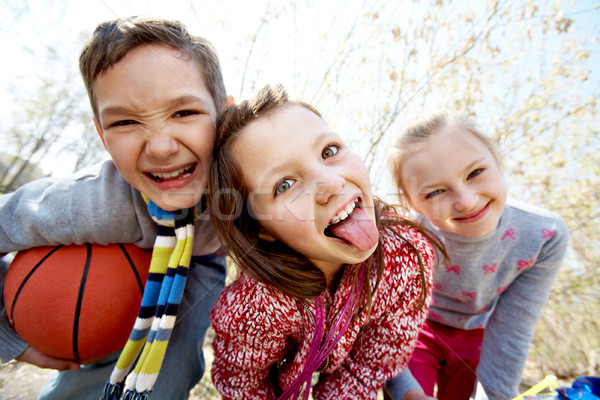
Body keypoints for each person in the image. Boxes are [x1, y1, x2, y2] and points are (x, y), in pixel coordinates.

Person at [0, 16, 230, 400]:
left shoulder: (255, 189)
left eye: (184, 112)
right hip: (111, 262)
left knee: (170, 373)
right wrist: (7, 336)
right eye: (125, 121)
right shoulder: (93, 202)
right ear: (102, 137)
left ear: (226, 114)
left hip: (199, 260)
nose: (160, 146)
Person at [206, 84, 441, 400]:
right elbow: (243, 388)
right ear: (260, 228)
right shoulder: (253, 308)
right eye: (285, 185)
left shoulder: (407, 258)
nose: (332, 183)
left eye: (329, 151)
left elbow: (368, 370)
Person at [384, 111, 569, 400]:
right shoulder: (405, 239)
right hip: (415, 331)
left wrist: (497, 395)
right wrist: (406, 392)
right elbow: (387, 324)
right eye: (435, 192)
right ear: (412, 202)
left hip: (480, 337)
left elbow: (512, 328)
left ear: (496, 161)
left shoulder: (544, 236)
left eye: (475, 173)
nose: (466, 201)